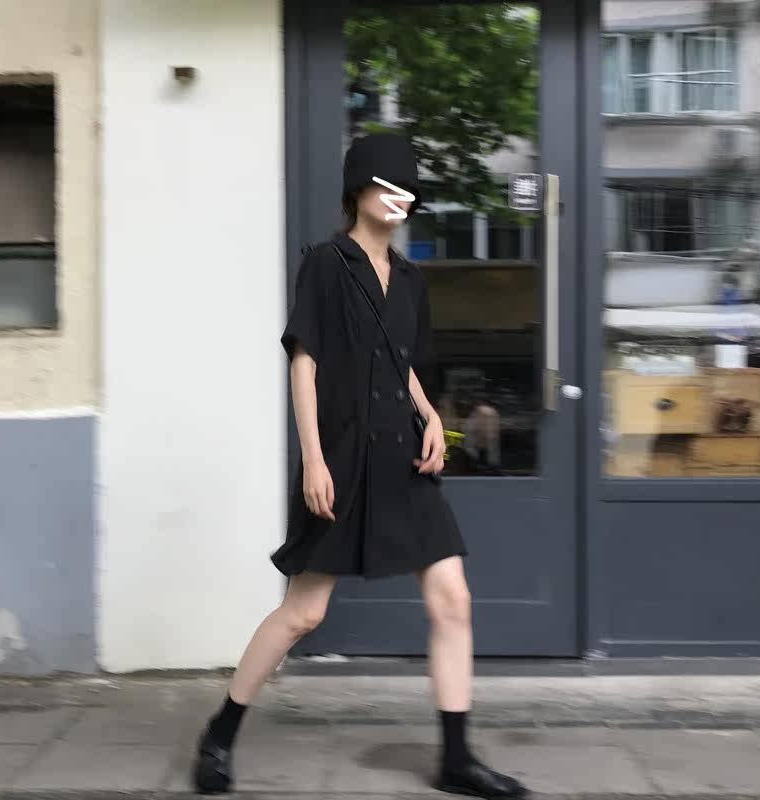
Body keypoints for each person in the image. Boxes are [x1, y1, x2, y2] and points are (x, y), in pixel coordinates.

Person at [192, 132, 528, 799]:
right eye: (387, 185)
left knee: (453, 599)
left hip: (403, 460)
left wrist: (431, 418)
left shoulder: (411, 280)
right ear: (359, 191)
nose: (400, 198)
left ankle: (457, 758)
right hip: (341, 458)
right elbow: (305, 363)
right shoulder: (326, 264)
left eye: (409, 190)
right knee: (304, 613)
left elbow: (403, 367)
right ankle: (220, 732)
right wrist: (314, 460)